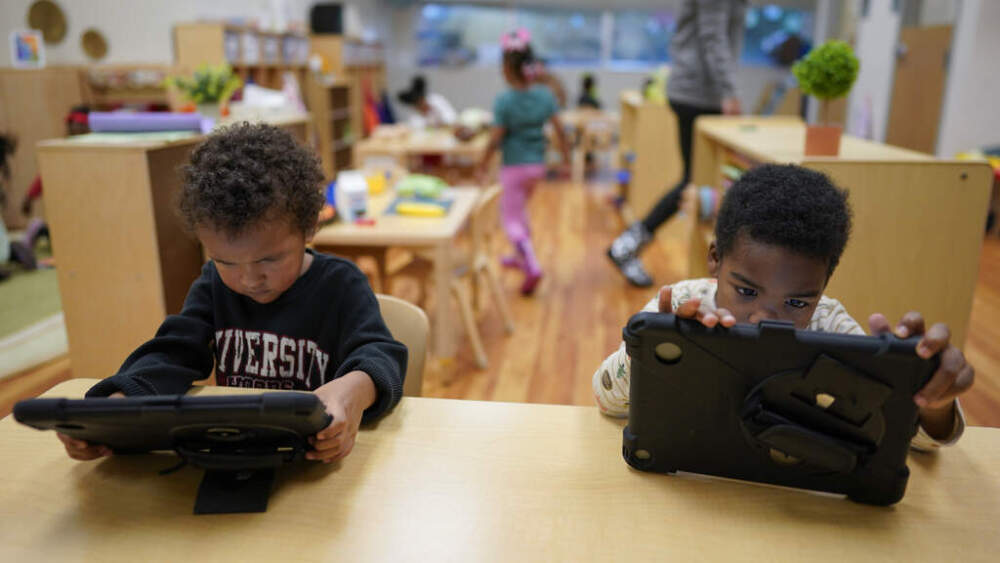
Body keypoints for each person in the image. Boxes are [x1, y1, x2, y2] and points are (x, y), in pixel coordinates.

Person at [57, 122, 407, 463]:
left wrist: (352, 393)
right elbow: (173, 352)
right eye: (226, 261)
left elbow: (380, 354)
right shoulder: (213, 284)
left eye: (269, 259)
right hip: (239, 454)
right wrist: (118, 403)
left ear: (310, 226)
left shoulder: (341, 285)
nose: (250, 279)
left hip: (317, 459)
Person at [594, 164, 974, 451]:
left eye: (795, 302)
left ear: (824, 286)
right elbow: (605, 399)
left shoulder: (830, 326)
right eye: (745, 291)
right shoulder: (678, 306)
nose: (764, 318)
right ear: (715, 259)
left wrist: (931, 401)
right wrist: (654, 351)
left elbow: (913, 440)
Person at [608, 0, 747, 287]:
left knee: (696, 182)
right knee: (696, 183)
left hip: (696, 91)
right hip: (699, 93)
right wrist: (730, 92)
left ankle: (629, 244)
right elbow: (713, 36)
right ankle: (628, 245)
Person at [477, 28, 571, 296]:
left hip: (514, 168)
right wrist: (564, 161)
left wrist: (482, 163)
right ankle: (520, 257)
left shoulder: (505, 100)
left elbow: (496, 137)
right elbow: (561, 130)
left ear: (507, 67)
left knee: (510, 219)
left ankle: (531, 263)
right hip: (537, 168)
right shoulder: (544, 95)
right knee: (521, 211)